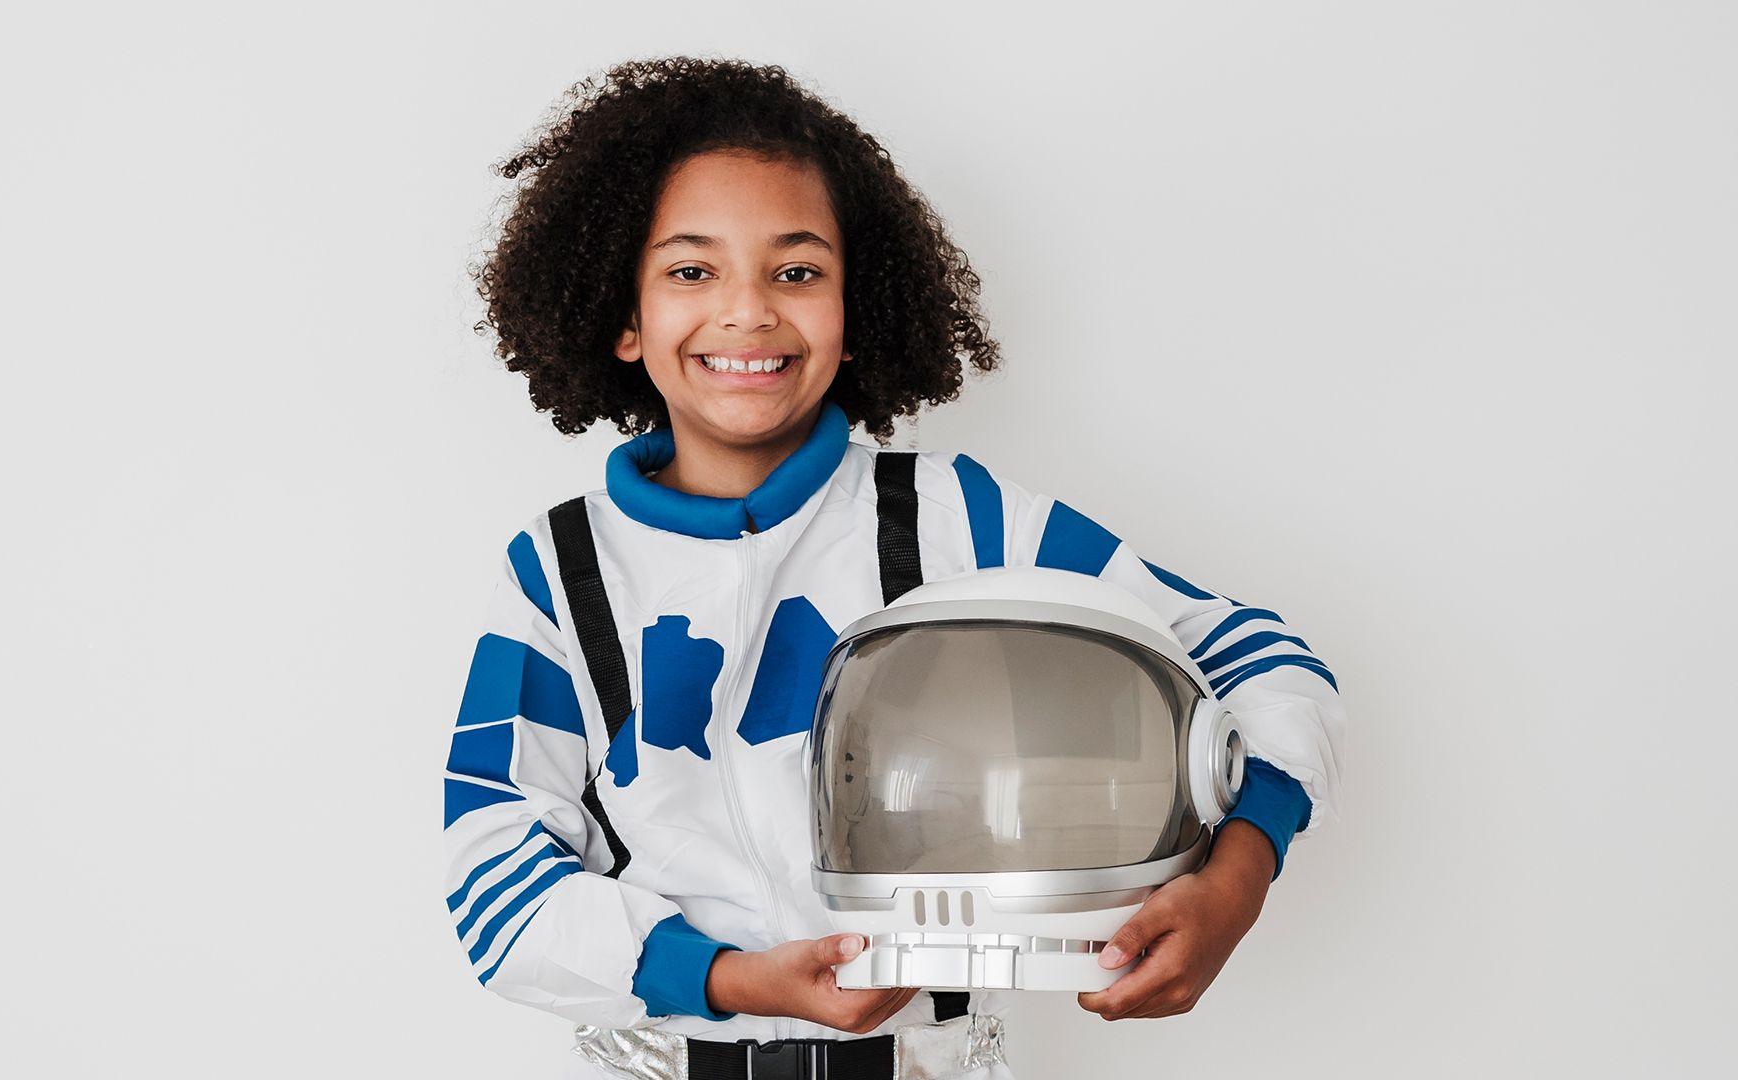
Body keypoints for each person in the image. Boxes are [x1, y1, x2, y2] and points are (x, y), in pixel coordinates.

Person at [446, 57, 1346, 1078]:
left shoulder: (957, 518)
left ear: (856, 300)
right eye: (692, 271)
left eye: (797, 270)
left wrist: (1237, 876)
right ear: (622, 312)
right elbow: (497, 890)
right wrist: (731, 977)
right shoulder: (561, 574)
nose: (749, 312)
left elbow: (1264, 662)